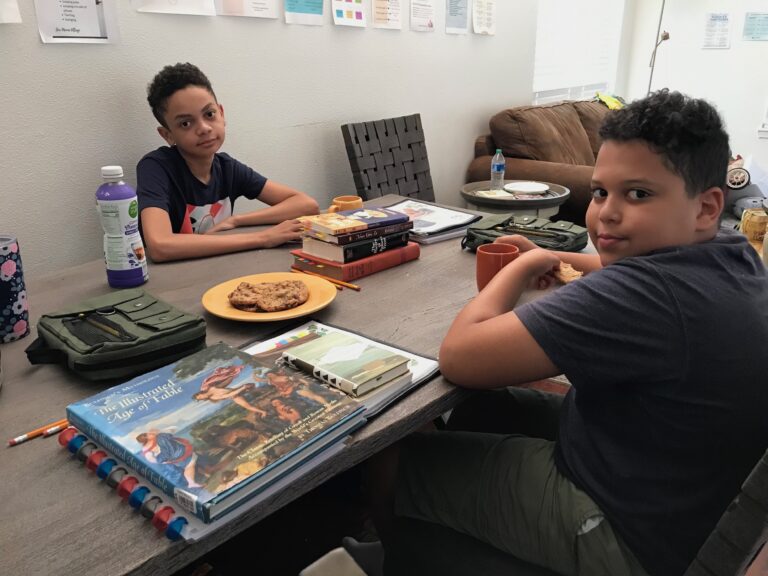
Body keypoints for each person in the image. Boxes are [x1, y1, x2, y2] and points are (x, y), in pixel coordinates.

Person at [373, 90, 768, 576]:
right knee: (484, 405)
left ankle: (398, 547)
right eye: (601, 192)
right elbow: (616, 268)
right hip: (680, 496)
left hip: (626, 532)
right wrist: (560, 257)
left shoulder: (642, 294)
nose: (607, 213)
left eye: (639, 194)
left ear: (707, 207)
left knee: (392, 457)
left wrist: (529, 263)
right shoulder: (733, 251)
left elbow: (459, 355)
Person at [136, 62, 319, 262]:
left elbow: (306, 205)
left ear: (221, 114)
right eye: (186, 123)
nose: (204, 128)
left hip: (219, 270)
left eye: (209, 114)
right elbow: (160, 246)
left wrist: (237, 220)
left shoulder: (226, 167)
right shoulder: (156, 168)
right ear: (167, 135)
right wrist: (262, 237)